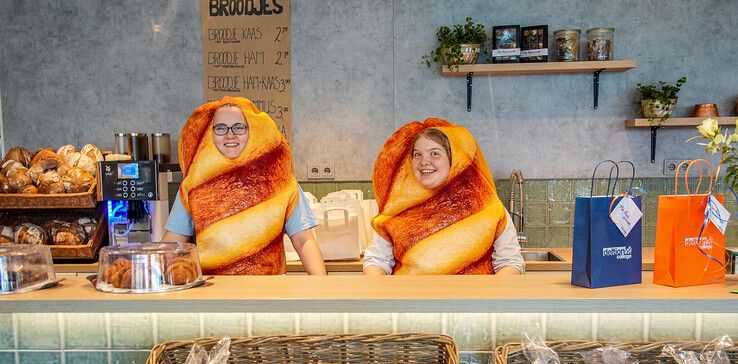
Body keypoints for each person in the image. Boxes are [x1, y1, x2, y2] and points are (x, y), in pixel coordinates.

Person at [162, 96, 326, 275]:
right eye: (220, 128)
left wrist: (322, 287)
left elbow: (304, 241)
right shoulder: (193, 185)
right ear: (210, 133)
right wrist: (152, 274)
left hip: (270, 295)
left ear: (253, 130)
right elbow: (173, 243)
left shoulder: (281, 180)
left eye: (239, 127)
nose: (230, 134)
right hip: (213, 296)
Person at [363, 118, 524, 275]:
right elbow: (377, 261)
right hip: (410, 301)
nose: (424, 161)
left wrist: (488, 300)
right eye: (417, 154)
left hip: (472, 301)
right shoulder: (395, 209)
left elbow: (510, 262)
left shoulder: (489, 208)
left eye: (435, 153)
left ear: (453, 160)